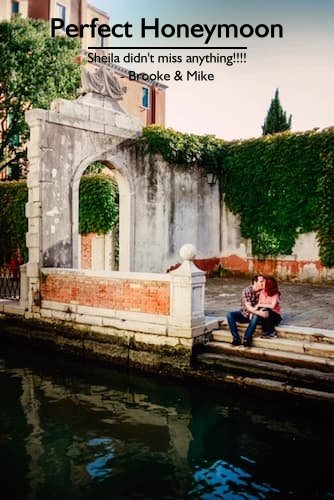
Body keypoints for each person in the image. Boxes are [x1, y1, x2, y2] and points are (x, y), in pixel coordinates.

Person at [226, 275, 264, 347]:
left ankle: (246, 338)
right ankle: (236, 338)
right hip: (244, 314)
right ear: (255, 282)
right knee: (229, 314)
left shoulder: (263, 292)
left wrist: (253, 313)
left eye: (263, 281)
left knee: (256, 316)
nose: (263, 283)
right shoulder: (247, 290)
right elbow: (248, 307)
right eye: (261, 281)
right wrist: (252, 312)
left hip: (255, 317)